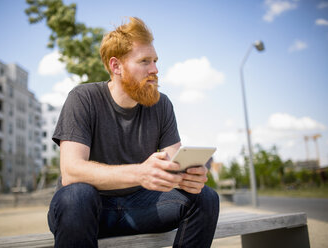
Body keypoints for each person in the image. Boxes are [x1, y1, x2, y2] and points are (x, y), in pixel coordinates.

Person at [48, 17, 219, 248]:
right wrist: (140, 173)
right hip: (88, 209)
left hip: (141, 208)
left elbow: (172, 164)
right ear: (116, 66)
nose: (155, 69)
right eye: (145, 61)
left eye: (156, 61)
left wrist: (189, 178)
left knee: (206, 198)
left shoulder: (162, 105)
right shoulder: (83, 98)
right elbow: (71, 171)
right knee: (76, 195)